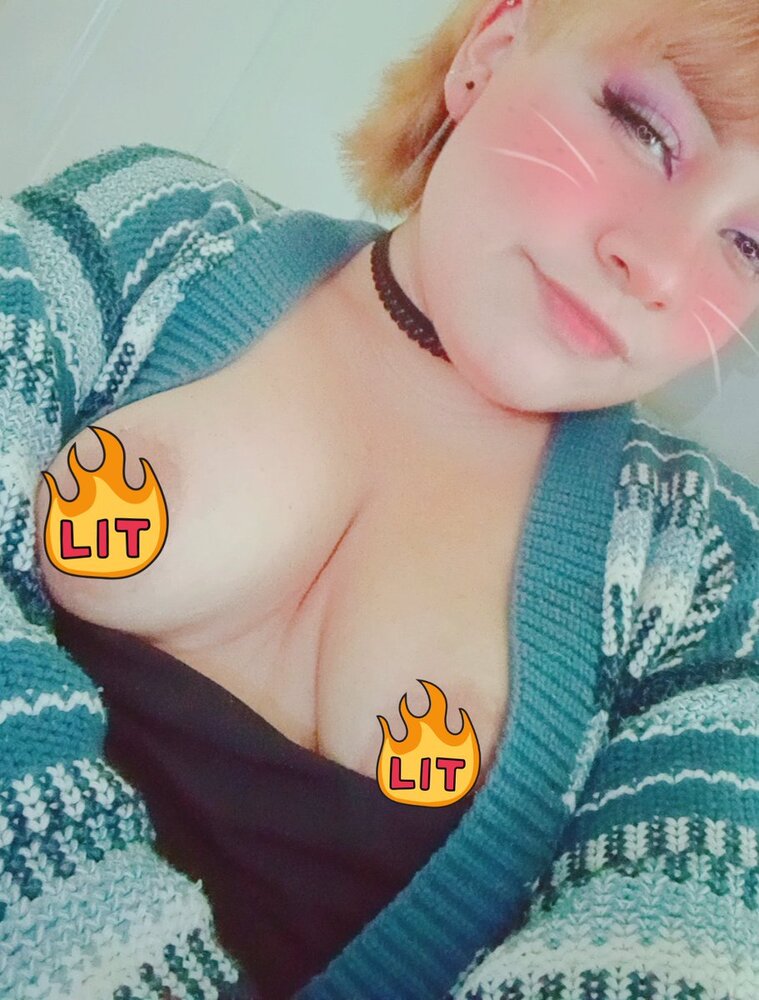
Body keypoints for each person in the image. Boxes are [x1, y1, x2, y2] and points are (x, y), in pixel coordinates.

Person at [1, 0, 757, 996]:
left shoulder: (709, 571)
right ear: (491, 49)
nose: (657, 267)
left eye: (749, 245)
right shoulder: (151, 232)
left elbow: (672, 956)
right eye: (645, 127)